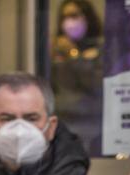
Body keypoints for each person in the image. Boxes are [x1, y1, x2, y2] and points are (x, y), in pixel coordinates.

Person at [51, 0, 104, 155]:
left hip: (94, 126)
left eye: (74, 15)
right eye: (65, 17)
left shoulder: (102, 50)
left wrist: (73, 55)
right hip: (64, 126)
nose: (69, 22)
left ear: (87, 18)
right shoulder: (54, 52)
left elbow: (95, 85)